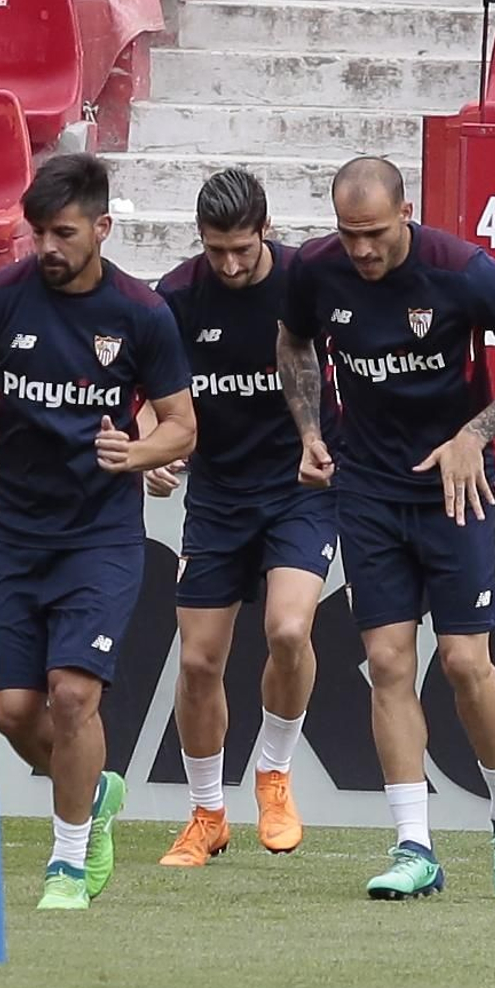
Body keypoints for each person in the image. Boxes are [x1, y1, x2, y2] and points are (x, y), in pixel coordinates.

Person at [278, 157, 495, 902]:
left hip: (455, 485)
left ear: (407, 210)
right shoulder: (317, 270)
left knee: (467, 662)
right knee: (386, 662)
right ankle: (414, 844)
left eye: (375, 233)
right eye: (350, 236)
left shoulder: (462, 270)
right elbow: (293, 342)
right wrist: (311, 429)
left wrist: (477, 432)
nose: (364, 251)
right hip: (368, 487)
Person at [0, 154, 196, 910]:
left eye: (63, 232)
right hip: (12, 528)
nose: (46, 246)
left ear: (103, 228)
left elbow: (182, 427)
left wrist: (136, 452)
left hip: (101, 535)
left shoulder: (142, 314)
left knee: (73, 695)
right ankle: (94, 791)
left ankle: (68, 862)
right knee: (13, 711)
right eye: (37, 232)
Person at [147, 169, 339, 867]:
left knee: (289, 628)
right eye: (215, 249)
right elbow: (152, 396)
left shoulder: (306, 282)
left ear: (267, 230)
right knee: (199, 660)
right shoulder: (173, 297)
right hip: (219, 494)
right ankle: (207, 814)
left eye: (241, 248)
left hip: (299, 486)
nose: (228, 264)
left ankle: (274, 772)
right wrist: (152, 454)